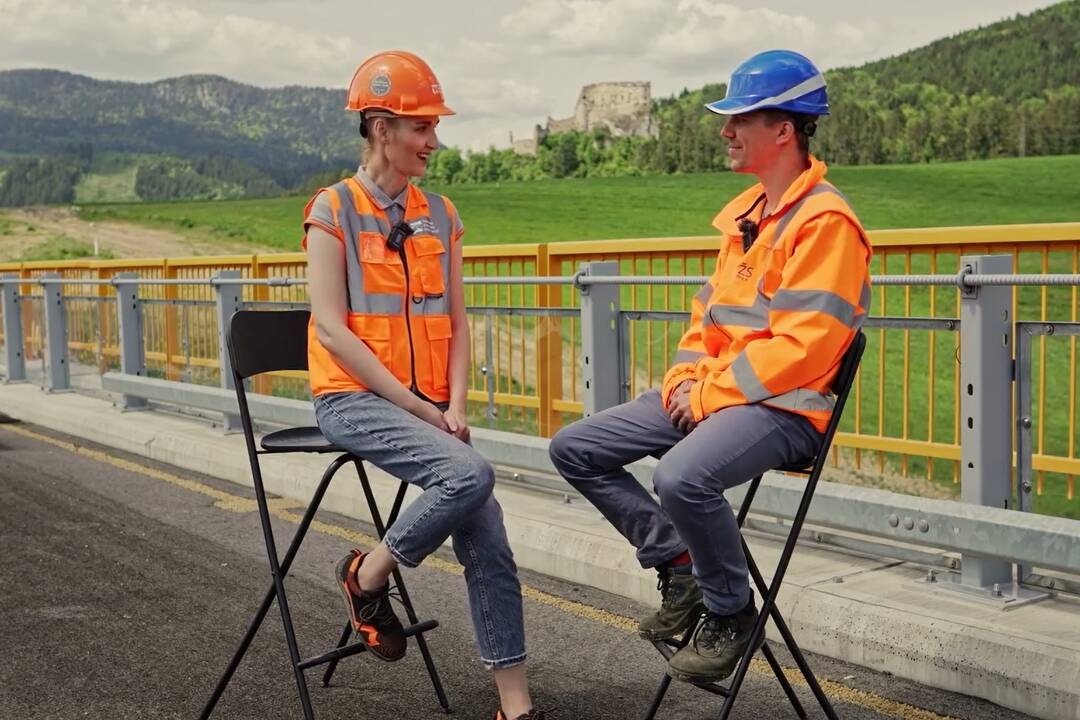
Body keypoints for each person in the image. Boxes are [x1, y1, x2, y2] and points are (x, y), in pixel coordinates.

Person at [549, 49, 872, 685]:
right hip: (724, 399)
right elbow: (706, 323)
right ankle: (679, 563)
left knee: (680, 477)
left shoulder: (826, 223)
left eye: (740, 118)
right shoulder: (747, 220)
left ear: (783, 129)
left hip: (786, 409)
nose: (725, 129)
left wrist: (708, 395)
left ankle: (731, 611)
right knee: (573, 447)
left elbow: (804, 347)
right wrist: (684, 380)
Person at [303, 50, 545, 720]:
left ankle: (515, 709)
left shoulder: (440, 214)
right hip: (351, 401)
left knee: (486, 528)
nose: (434, 142)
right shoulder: (333, 210)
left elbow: (458, 324)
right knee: (471, 477)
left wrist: (455, 407)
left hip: (431, 411)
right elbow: (330, 330)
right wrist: (417, 406)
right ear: (380, 127)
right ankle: (368, 575)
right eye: (422, 128)